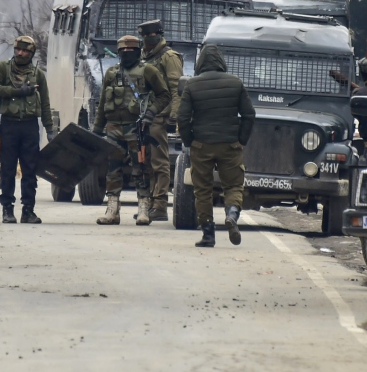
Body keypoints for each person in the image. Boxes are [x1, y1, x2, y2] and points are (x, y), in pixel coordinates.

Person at [176, 44, 255, 248]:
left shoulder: (192, 85)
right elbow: (249, 114)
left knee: (202, 189)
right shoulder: (235, 83)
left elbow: (182, 117)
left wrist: (189, 141)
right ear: (221, 62)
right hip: (230, 145)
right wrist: (241, 140)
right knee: (233, 185)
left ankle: (208, 234)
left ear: (200, 63)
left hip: (201, 145)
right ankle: (231, 214)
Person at [92, 35, 170, 226]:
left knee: (141, 168)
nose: (127, 53)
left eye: (131, 50)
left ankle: (143, 208)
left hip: (137, 127)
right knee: (113, 169)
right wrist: (97, 129)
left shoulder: (148, 71)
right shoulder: (111, 73)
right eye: (123, 50)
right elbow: (103, 103)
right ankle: (112, 209)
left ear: (138, 51)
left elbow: (164, 95)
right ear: (118, 52)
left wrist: (151, 113)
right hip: (113, 128)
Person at [0, 35, 54, 224]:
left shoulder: (38, 74)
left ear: (31, 53)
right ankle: (7, 209)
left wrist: (50, 129)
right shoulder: (3, 68)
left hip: (30, 126)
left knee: (30, 170)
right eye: (18, 49)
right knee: (8, 169)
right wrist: (17, 92)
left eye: (25, 50)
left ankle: (28, 210)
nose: (20, 53)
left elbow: (45, 103)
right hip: (9, 125)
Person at [138, 19, 183, 222]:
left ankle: (160, 205)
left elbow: (176, 87)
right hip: (145, 115)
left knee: (159, 161)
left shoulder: (169, 57)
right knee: (145, 161)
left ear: (159, 34)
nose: (148, 39)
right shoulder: (144, 56)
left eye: (152, 35)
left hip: (160, 116)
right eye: (145, 36)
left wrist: (174, 115)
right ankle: (149, 204)